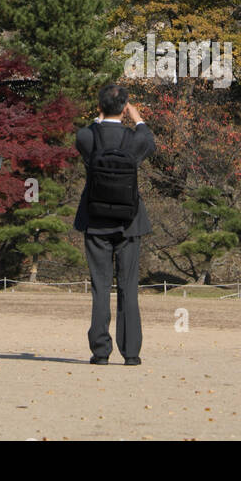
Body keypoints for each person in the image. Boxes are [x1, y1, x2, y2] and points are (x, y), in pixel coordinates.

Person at [73, 84, 155, 365]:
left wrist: (99, 118)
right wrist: (138, 118)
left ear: (99, 108)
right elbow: (148, 139)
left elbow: (83, 134)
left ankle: (100, 351)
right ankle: (131, 352)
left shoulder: (88, 137)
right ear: (124, 108)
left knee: (100, 286)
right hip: (129, 221)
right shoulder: (134, 139)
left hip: (95, 219)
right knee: (128, 287)